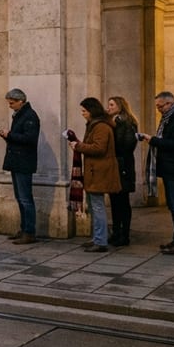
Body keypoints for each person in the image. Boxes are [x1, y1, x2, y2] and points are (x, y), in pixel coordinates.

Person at [140, 91, 174, 255]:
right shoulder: (169, 119)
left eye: (160, 106)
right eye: (157, 106)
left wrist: (154, 141)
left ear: (170, 103)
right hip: (170, 168)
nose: (158, 109)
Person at [70, 97, 120, 252]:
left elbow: (99, 148)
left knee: (97, 207)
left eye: (84, 111)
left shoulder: (101, 127)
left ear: (92, 111)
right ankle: (97, 237)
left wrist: (78, 145)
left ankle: (101, 240)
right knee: (93, 206)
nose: (82, 114)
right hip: (95, 171)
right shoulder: (94, 125)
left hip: (99, 171)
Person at [0, 88, 40, 244]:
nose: (10, 106)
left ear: (21, 101)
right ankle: (24, 229)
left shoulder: (29, 116)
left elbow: (29, 139)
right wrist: (7, 136)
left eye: (12, 103)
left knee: (25, 198)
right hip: (18, 161)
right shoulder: (20, 115)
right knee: (20, 198)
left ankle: (29, 231)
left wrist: (10, 135)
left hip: (24, 162)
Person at [106, 96, 139, 246]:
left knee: (122, 201)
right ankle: (116, 232)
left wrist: (115, 126)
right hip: (115, 165)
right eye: (109, 105)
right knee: (114, 200)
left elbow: (126, 145)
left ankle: (124, 234)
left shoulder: (127, 122)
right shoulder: (113, 122)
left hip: (123, 166)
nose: (109, 107)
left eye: (112, 105)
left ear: (120, 106)